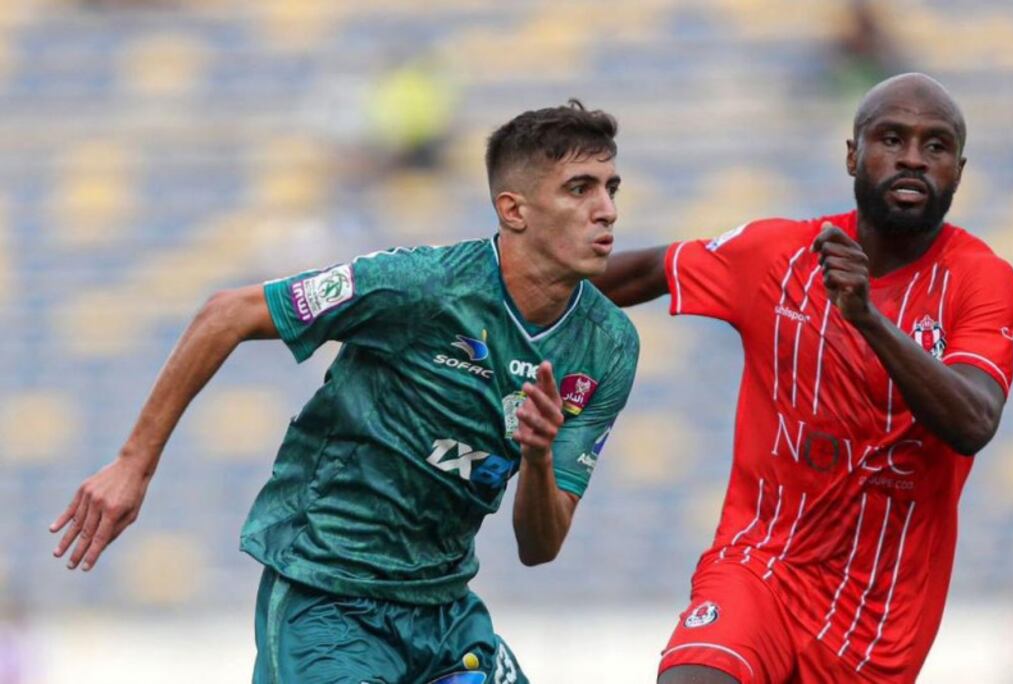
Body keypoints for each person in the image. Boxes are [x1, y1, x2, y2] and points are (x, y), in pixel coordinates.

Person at [50, 100, 639, 684]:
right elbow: (226, 313)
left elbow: (540, 547)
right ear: (514, 210)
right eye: (579, 189)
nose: (606, 210)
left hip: (443, 613)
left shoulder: (607, 346)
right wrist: (134, 463)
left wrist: (537, 455)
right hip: (328, 596)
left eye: (611, 187)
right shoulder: (424, 285)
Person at [595, 73, 1013, 683]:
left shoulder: (983, 280)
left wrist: (867, 318)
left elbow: (974, 421)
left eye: (936, 146)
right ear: (852, 155)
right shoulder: (776, 254)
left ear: (959, 169)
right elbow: (634, 274)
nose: (911, 158)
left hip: (877, 618)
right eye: (891, 138)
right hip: (759, 565)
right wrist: (498, 296)